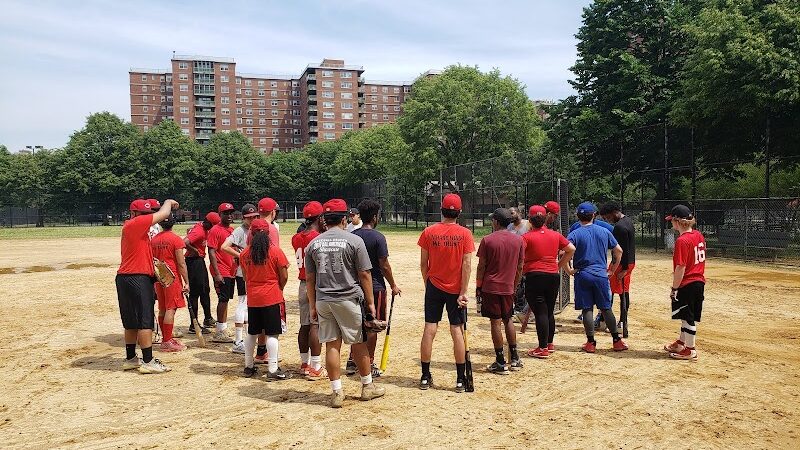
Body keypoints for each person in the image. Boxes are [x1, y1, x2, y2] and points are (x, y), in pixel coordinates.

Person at [305, 199, 385, 408]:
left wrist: (313, 305)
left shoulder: (314, 243)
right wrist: (370, 303)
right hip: (348, 298)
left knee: (332, 345)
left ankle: (336, 392)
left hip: (323, 300)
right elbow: (365, 274)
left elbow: (310, 279)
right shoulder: (353, 241)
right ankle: (367, 386)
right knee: (358, 343)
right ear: (344, 219)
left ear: (324, 220)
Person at [418, 193, 475, 392]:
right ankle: (460, 379)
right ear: (459, 212)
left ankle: (425, 376)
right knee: (456, 330)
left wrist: (429, 286)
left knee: (429, 329)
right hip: (456, 289)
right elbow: (466, 264)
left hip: (434, 285)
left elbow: (423, 265)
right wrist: (463, 291)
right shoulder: (465, 234)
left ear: (441, 210)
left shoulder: (428, 231)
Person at [116, 198, 178, 374]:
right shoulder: (135, 224)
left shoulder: (133, 228)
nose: (147, 217)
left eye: (148, 214)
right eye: (143, 214)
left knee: (131, 322)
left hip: (125, 277)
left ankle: (130, 359)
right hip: (137, 278)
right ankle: (148, 360)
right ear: (134, 213)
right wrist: (168, 201)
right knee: (145, 321)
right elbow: (164, 213)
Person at [566, 202, 627, 353]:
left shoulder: (574, 233)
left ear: (578, 216)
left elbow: (564, 252)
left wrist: (569, 270)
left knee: (587, 309)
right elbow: (618, 251)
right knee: (606, 308)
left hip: (583, 274)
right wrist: (612, 269)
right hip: (600, 274)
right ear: (594, 215)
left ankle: (591, 343)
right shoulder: (604, 231)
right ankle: (616, 341)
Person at [352, 199, 402, 377]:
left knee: (357, 325)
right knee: (372, 326)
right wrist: (393, 285)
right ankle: (369, 362)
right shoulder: (378, 237)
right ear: (374, 217)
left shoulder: (354, 236)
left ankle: (353, 360)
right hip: (375, 287)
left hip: (355, 287)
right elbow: (384, 265)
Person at [239, 218, 291, 380]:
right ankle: (273, 369)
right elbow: (284, 276)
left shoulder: (244, 253)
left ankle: (248, 366)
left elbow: (246, 277)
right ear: (268, 233)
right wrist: (278, 288)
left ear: (251, 233)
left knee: (252, 333)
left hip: (253, 297)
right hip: (271, 296)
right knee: (272, 334)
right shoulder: (275, 251)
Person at [522, 205, 576, 358]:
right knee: (548, 311)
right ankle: (549, 343)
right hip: (552, 275)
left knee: (540, 312)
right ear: (545, 218)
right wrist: (558, 265)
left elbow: (519, 257)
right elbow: (571, 249)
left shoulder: (526, 237)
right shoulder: (555, 235)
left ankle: (542, 347)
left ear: (530, 220)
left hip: (535, 275)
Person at [476, 208, 524, 374]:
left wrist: (478, 285)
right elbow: (520, 266)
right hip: (508, 286)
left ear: (496, 222)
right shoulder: (518, 240)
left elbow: (481, 266)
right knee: (508, 319)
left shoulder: (487, 240)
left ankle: (501, 361)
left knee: (495, 322)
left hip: (491, 286)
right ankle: (515, 358)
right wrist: (515, 284)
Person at [664, 205, 706, 361]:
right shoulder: (698, 235)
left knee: (688, 317)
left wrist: (674, 288)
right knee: (685, 315)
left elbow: (680, 267)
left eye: (672, 221)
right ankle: (682, 342)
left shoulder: (682, 241)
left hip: (687, 283)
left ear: (677, 221)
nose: (671, 223)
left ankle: (690, 350)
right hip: (698, 282)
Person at [291, 201, 326, 380]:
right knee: (315, 325)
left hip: (302, 283)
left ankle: (304, 363)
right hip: (316, 283)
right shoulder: (318, 238)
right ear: (319, 218)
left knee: (304, 324)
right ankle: (316, 366)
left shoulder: (296, 237)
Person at [221, 204, 259, 353]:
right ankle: (238, 341)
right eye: (249, 217)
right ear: (243, 218)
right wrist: (241, 255)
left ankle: (246, 339)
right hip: (243, 272)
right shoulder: (240, 230)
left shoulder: (254, 229)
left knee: (248, 305)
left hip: (252, 272)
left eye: (255, 216)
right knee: (243, 303)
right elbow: (224, 246)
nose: (252, 219)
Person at [151, 215, 190, 352]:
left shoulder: (154, 239)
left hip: (159, 277)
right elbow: (181, 263)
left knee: (163, 307)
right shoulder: (175, 239)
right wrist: (186, 282)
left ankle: (165, 338)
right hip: (172, 277)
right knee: (171, 308)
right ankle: (167, 341)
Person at [599, 202, 636, 338]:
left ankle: (620, 323)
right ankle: (617, 321)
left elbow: (621, 251)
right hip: (628, 262)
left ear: (614, 212)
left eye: (607, 217)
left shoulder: (619, 227)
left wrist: (623, 269)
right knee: (622, 292)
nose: (607, 220)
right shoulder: (628, 221)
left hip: (622, 264)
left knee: (614, 292)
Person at [184, 212, 220, 333]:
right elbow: (184, 242)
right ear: (208, 222)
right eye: (213, 225)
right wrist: (195, 250)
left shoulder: (202, 227)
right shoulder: (199, 231)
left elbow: (189, 230)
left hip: (199, 262)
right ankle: (193, 325)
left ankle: (208, 318)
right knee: (195, 293)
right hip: (193, 262)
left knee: (205, 290)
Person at [207, 203, 236, 343]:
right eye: (226, 213)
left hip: (230, 269)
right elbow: (211, 251)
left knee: (226, 299)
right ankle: (219, 331)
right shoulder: (215, 230)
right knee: (222, 299)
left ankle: (223, 327)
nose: (229, 216)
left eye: (231, 213)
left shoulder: (231, 230)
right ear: (220, 215)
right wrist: (217, 273)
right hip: (221, 269)